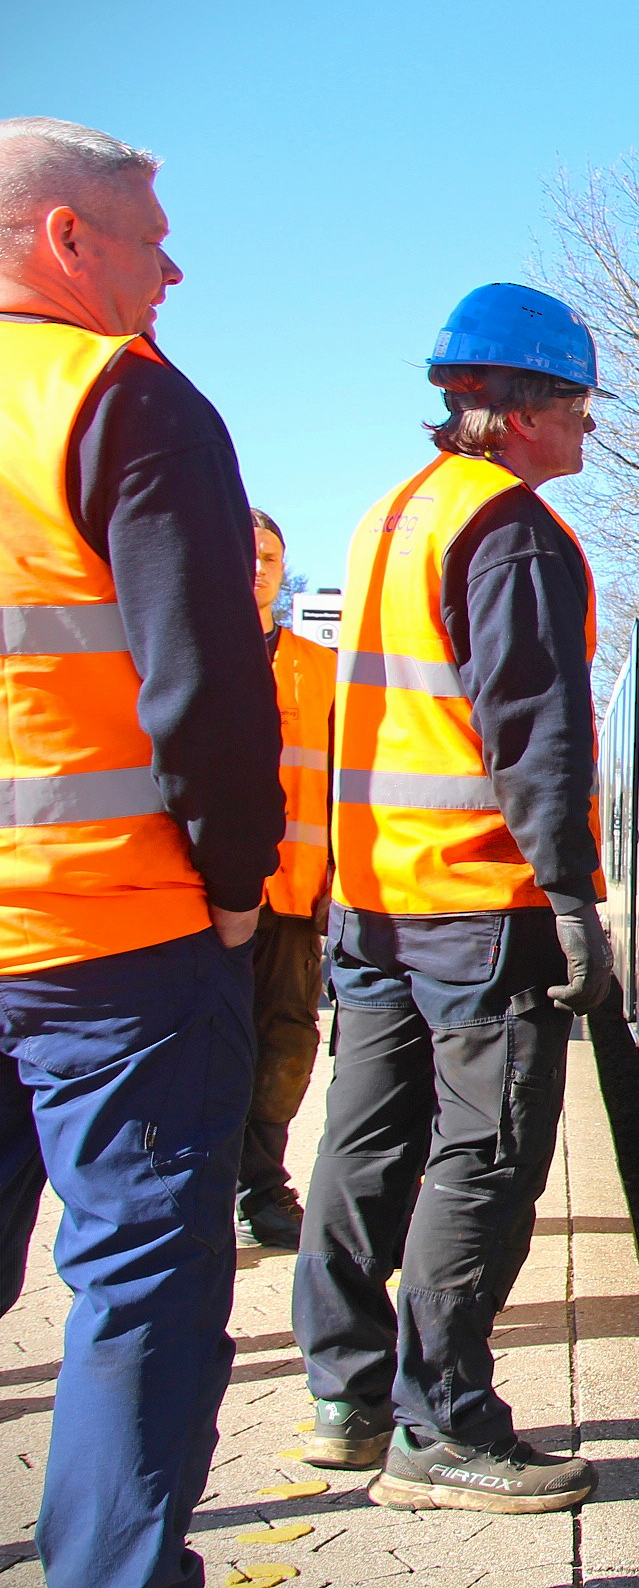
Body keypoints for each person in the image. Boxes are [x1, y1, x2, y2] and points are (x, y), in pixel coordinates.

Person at [0, 117, 282, 1588]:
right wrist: (237, 893)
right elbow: (209, 695)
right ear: (66, 238)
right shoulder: (121, 398)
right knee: (136, 1287)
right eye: (151, 240)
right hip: (110, 945)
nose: (171, 272)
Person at [292, 282, 612, 1515]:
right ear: (522, 409)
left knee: (366, 1145)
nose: (590, 422)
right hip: (478, 900)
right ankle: (444, 1425)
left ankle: (346, 1398)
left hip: (375, 897)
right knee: (486, 1156)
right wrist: (570, 898)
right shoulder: (510, 530)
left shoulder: (394, 516)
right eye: (577, 399)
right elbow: (534, 735)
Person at [240, 508, 334, 1249]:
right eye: (244, 555)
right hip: (194, 903)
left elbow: (343, 782)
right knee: (202, 1049)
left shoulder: (320, 668)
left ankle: (263, 1190)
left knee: (284, 1044)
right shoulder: (178, 652)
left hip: (292, 897)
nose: (258, 568)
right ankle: (204, 1191)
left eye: (270, 557)